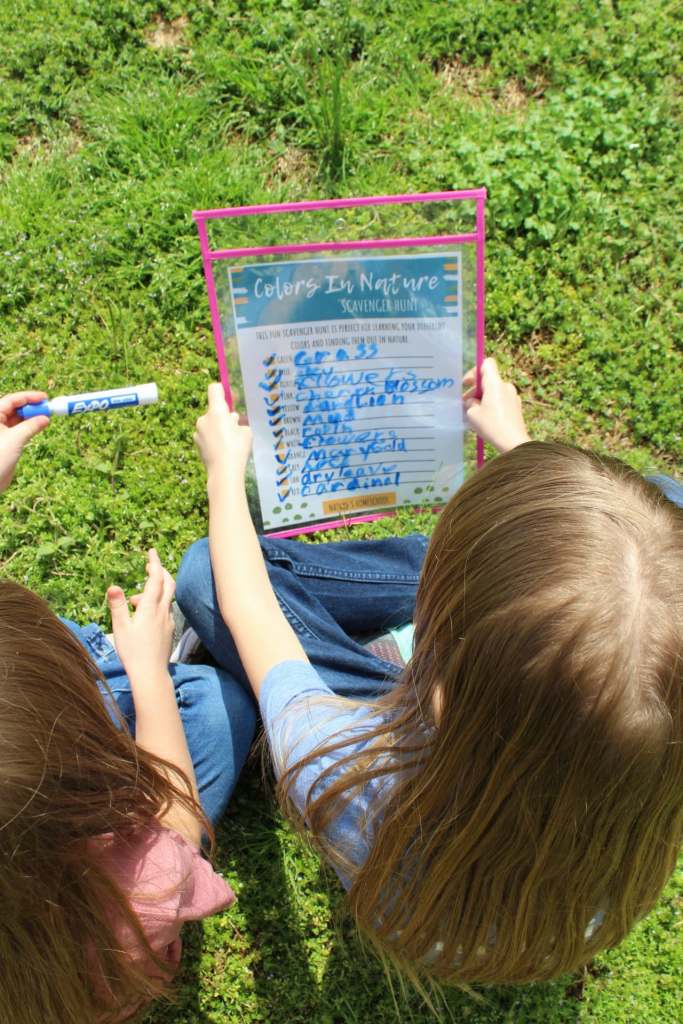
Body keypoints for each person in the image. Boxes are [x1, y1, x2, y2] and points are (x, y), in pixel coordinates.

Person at [178, 359, 683, 985]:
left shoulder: (345, 771)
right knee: (666, 505)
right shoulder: (644, 791)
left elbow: (246, 604)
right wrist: (525, 456)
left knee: (206, 570)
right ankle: (514, 567)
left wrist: (225, 473)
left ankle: (436, 586)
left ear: (428, 662)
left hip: (410, 733)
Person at [0, 391, 239, 1022]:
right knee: (217, 707)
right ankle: (127, 672)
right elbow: (178, 825)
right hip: (122, 832)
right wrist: (149, 672)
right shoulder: (131, 899)